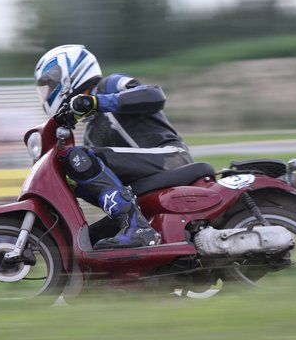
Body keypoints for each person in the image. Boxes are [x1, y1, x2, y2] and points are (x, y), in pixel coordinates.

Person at [34, 44, 193, 249]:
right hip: (145, 182)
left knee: (79, 156)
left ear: (67, 75)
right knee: (86, 242)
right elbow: (105, 188)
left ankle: (138, 230)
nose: (47, 93)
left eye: (49, 85)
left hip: (171, 157)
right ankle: (133, 230)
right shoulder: (91, 133)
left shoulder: (110, 85)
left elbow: (153, 95)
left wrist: (95, 102)